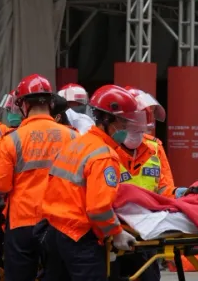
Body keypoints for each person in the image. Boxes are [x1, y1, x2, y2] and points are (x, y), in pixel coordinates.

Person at [36, 84, 146, 281]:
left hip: (54, 232)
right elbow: (99, 208)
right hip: (79, 237)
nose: (126, 127)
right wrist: (117, 232)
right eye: (122, 121)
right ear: (106, 118)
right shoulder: (104, 156)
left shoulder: (77, 144)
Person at [0, 74, 77, 281]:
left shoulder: (13, 139)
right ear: (50, 103)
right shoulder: (73, 137)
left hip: (22, 222)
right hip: (60, 222)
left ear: (23, 105)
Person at [109, 86, 175, 281]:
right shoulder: (104, 148)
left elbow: (166, 188)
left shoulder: (155, 147)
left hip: (148, 231)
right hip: (113, 231)